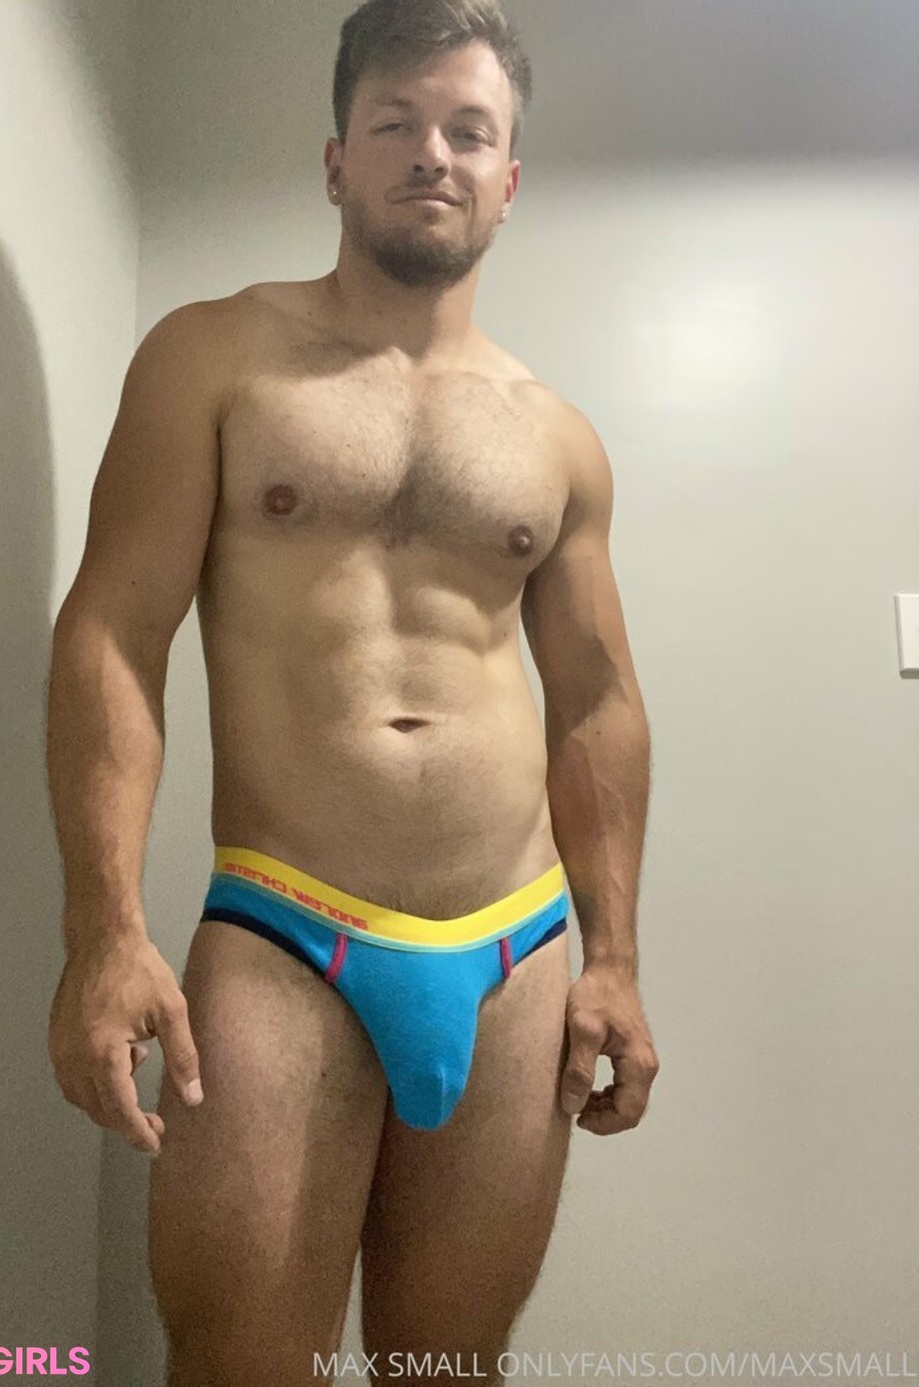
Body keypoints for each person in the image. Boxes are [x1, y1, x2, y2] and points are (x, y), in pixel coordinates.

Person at [45, 1, 659, 1382]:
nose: (433, 153)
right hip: (284, 935)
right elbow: (113, 635)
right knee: (239, 1363)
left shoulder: (558, 439)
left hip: (514, 952)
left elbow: (597, 703)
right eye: (396, 123)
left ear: (510, 178)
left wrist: (615, 959)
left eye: (469, 131)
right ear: (337, 161)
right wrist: (103, 930)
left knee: (449, 1367)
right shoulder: (211, 357)